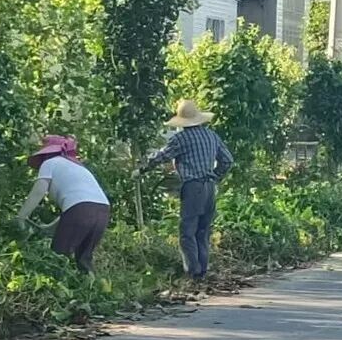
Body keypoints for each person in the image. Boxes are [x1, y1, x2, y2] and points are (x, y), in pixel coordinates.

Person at [133, 100, 234, 281]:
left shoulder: (181, 139)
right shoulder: (211, 136)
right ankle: (202, 270)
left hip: (192, 186)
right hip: (209, 187)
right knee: (203, 231)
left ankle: (193, 272)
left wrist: (141, 170)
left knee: (187, 232)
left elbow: (161, 156)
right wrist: (216, 176)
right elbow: (227, 160)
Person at [16, 135, 110, 273]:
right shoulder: (79, 167)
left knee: (57, 257)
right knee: (83, 260)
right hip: (103, 210)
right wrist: (49, 227)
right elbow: (78, 204)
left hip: (80, 210)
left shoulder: (49, 163)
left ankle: (54, 283)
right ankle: (92, 283)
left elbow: (39, 191)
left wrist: (21, 216)